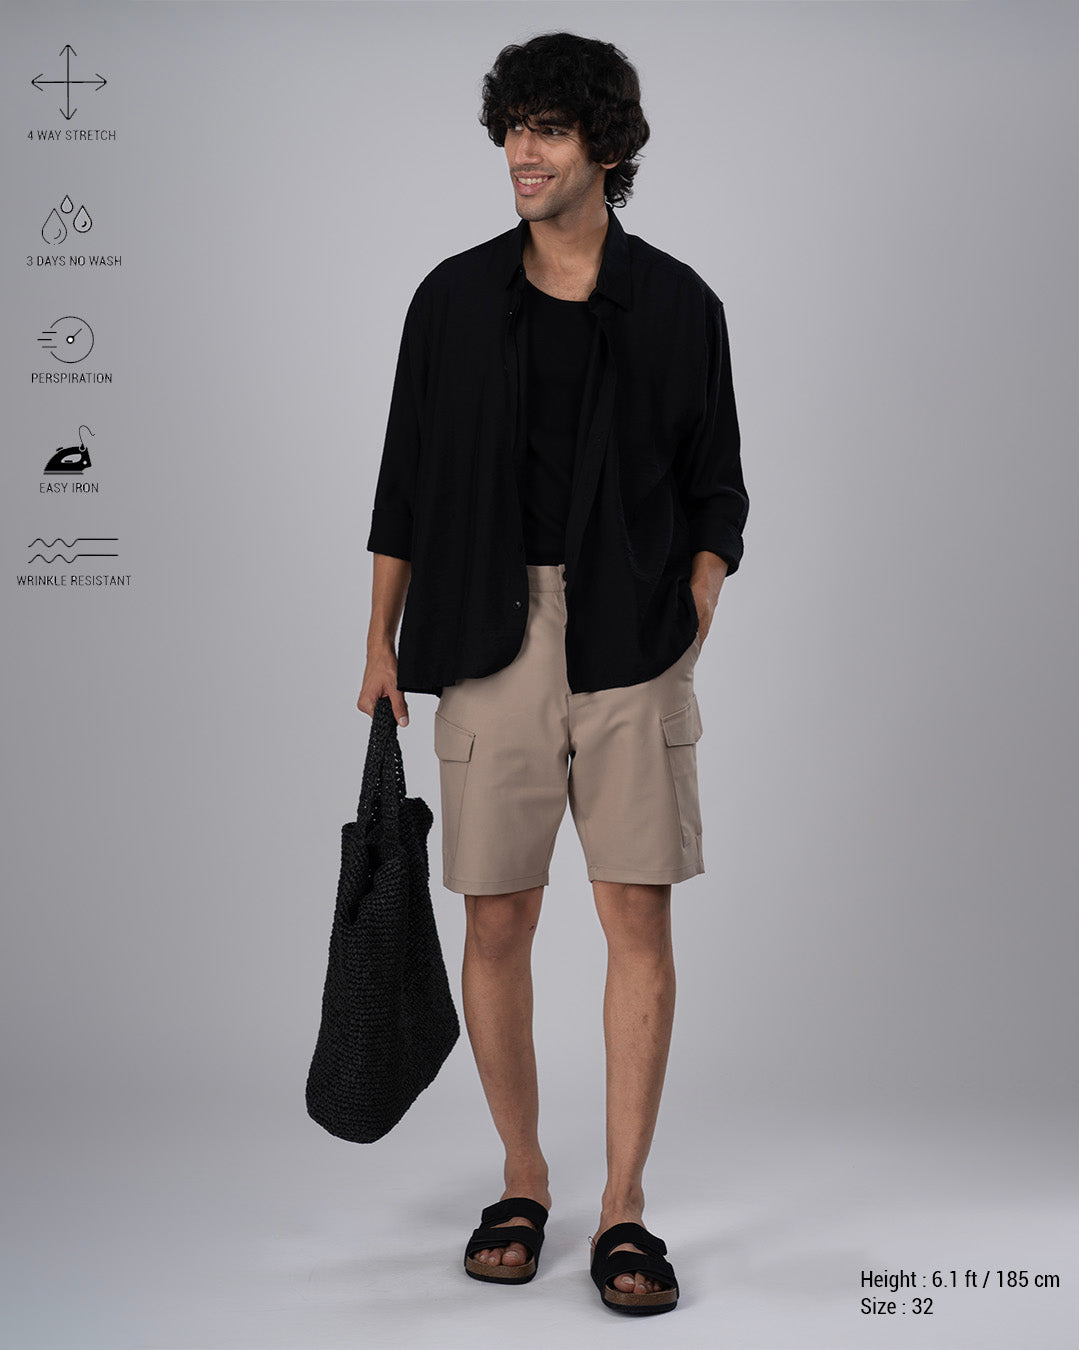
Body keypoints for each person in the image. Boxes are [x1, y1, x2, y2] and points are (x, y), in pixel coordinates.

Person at [356, 31, 748, 1316]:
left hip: (633, 642)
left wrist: (694, 603)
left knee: (638, 918)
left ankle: (624, 1205)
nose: (522, 154)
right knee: (496, 920)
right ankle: (522, 1176)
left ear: (607, 148)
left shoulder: (680, 305)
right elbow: (404, 479)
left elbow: (720, 488)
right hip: (483, 628)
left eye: (549, 131)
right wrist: (379, 638)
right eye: (513, 128)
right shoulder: (452, 301)